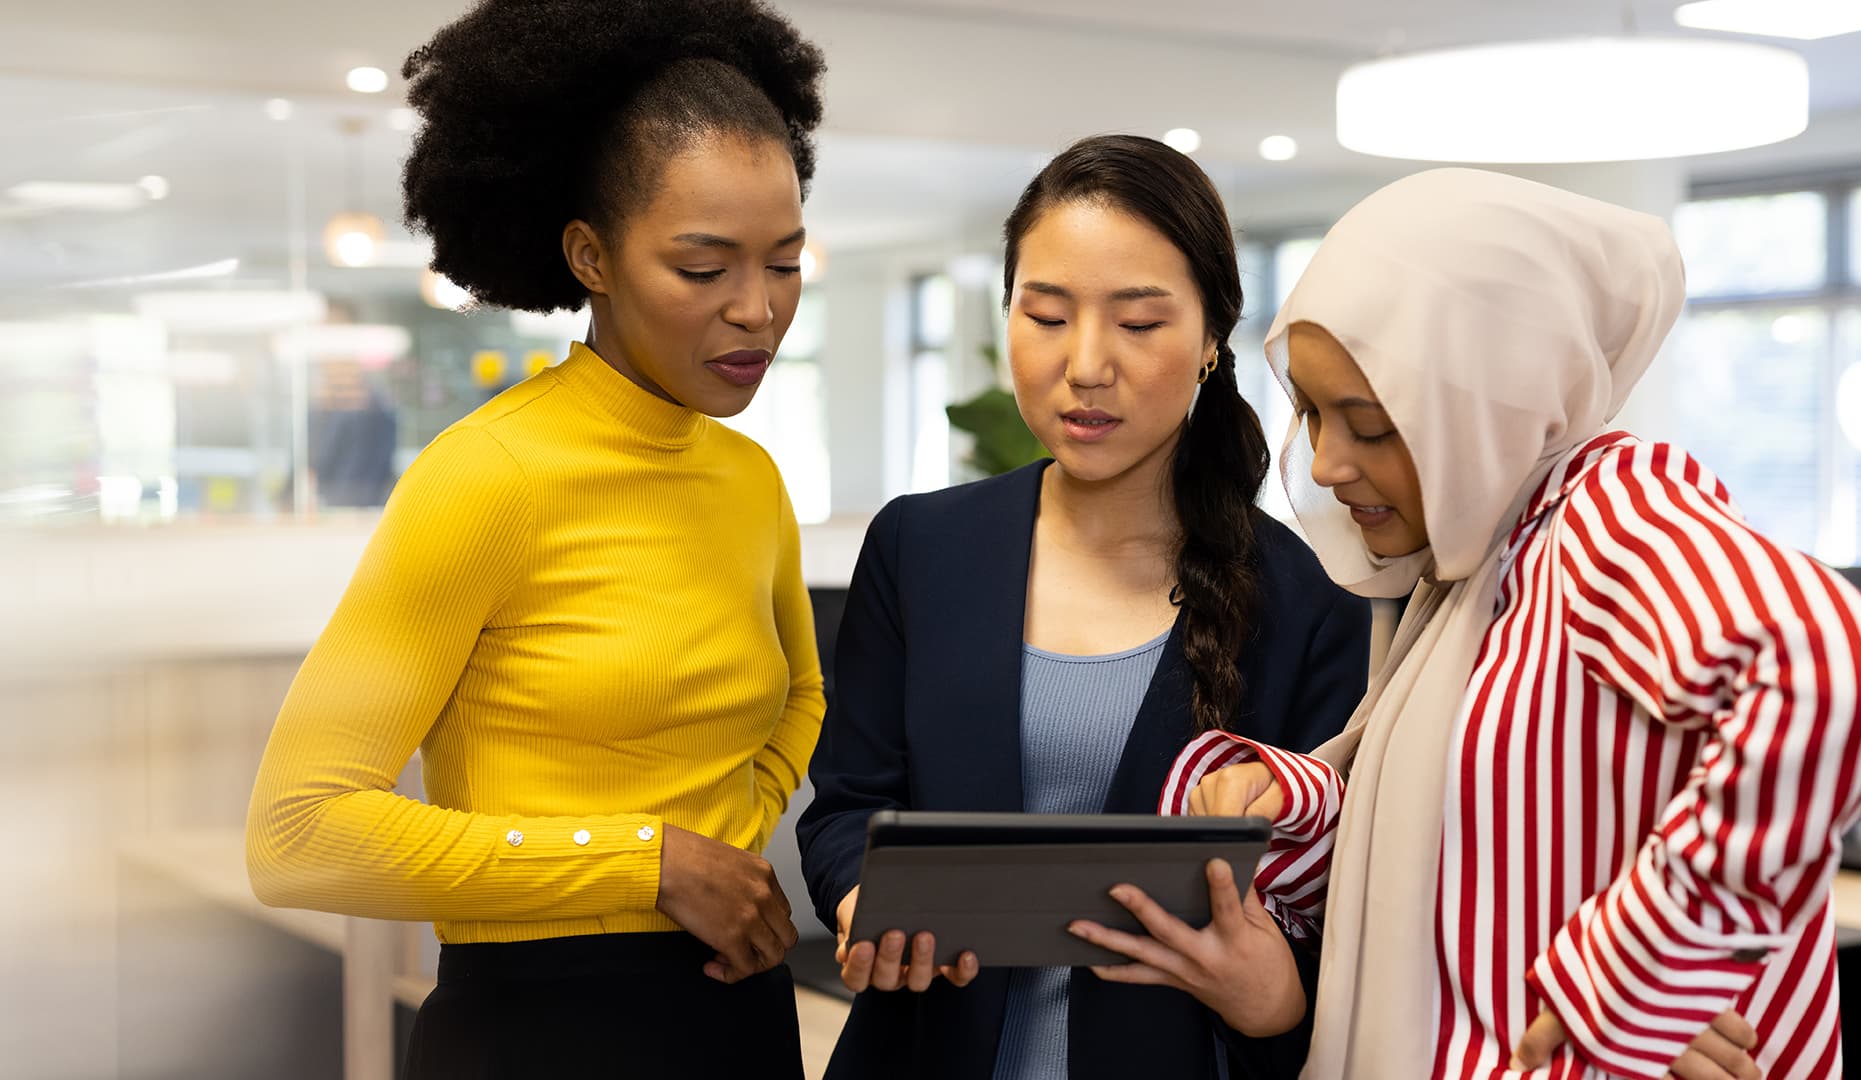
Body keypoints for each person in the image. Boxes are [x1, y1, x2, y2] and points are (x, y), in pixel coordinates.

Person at [1071, 168, 1861, 1080]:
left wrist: (1649, 960)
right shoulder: (1477, 565)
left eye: (1370, 425)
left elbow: (1844, 674)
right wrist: (1293, 803)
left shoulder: (1610, 516)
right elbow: (1479, 844)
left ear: (1491, 401)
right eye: (1316, 415)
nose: (1324, 464)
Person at [244, 2, 828, 1075]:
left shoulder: (748, 477)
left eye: (784, 262)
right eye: (704, 269)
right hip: (538, 1029)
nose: (757, 310)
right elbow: (299, 835)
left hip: (736, 1009)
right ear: (590, 257)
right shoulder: (486, 478)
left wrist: (727, 851)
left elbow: (801, 692)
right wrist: (650, 865)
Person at [796, 134, 1372, 1080]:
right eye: (1047, 315)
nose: (1086, 365)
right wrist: (862, 898)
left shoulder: (1309, 603)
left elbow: (1336, 912)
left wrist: (1277, 999)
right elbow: (848, 806)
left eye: (1139, 324)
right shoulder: (921, 548)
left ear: (1212, 340)